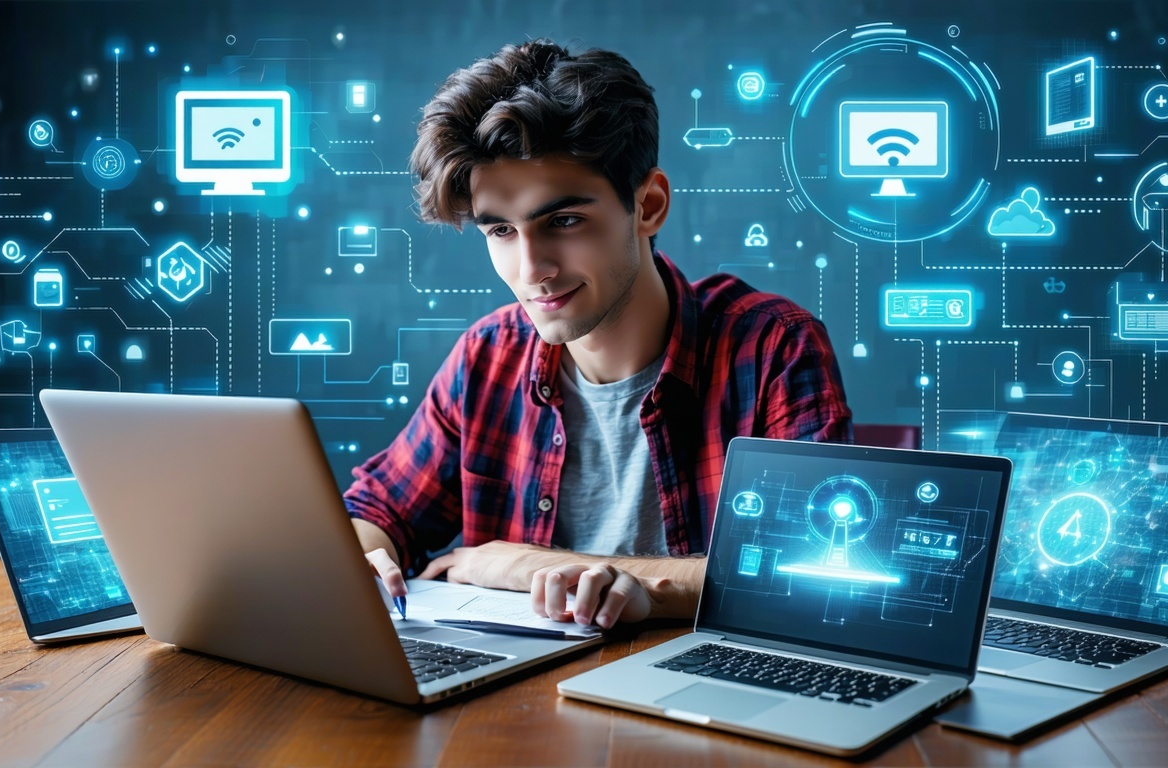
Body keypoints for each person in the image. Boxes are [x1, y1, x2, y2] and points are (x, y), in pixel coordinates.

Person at [345, 38, 851, 630]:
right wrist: (359, 557)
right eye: (501, 231)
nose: (530, 270)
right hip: (510, 704)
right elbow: (378, 512)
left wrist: (525, 565)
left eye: (563, 221)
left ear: (649, 205)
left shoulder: (773, 348)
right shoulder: (487, 356)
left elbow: (809, 573)